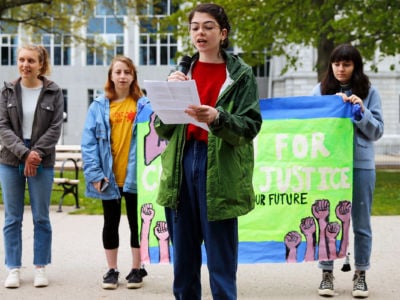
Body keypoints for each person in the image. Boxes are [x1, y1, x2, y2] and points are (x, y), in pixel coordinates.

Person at [154, 3, 262, 299]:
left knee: (220, 259)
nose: (200, 32)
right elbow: (163, 129)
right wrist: (167, 93)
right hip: (181, 164)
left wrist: (218, 118)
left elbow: (250, 126)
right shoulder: (182, 72)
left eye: (208, 26)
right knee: (184, 261)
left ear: (223, 33)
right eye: (195, 27)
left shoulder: (240, 76)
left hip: (220, 168)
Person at [311, 44, 384, 298]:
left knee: (361, 224)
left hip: (360, 165)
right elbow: (309, 129)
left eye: (347, 64)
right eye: (337, 64)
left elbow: (377, 131)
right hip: (328, 166)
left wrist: (361, 112)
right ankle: (326, 273)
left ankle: (361, 273)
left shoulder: (370, 93)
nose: (341, 69)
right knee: (327, 220)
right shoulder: (320, 92)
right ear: (331, 65)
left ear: (356, 67)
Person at [81, 55, 152, 290]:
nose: (122, 76)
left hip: (136, 176)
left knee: (137, 224)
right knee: (109, 223)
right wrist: (94, 174)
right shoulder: (98, 106)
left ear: (133, 77)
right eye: (118, 72)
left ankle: (136, 268)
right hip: (108, 178)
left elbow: (156, 138)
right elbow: (89, 143)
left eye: (127, 72)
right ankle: (111, 270)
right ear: (111, 76)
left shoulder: (144, 105)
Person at [0, 44, 64, 288]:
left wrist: (35, 153)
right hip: (10, 158)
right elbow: (2, 126)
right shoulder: (7, 91)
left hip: (42, 159)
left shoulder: (53, 92)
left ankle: (40, 267)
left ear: (41, 64)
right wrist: (25, 153)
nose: (25, 64)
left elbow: (55, 127)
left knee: (41, 217)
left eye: (31, 60)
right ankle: (13, 268)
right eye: (21, 59)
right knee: (12, 217)